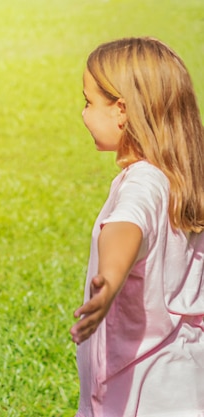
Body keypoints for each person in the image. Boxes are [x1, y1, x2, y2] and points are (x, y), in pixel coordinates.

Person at [69, 37, 204, 416]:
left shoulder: (145, 181)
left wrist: (109, 281)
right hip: (187, 375)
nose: (83, 114)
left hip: (140, 390)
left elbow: (128, 226)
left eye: (88, 101)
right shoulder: (186, 174)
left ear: (122, 111)